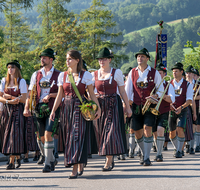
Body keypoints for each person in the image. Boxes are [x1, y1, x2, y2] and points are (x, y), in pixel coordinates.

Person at [50, 50, 101, 179]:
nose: (67, 61)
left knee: (76, 136)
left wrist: (98, 109)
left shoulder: (86, 75)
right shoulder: (62, 75)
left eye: (70, 59)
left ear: (77, 60)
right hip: (66, 108)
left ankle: (74, 167)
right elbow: (60, 95)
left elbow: (91, 94)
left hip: (80, 108)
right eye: (67, 59)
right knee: (69, 136)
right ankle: (79, 161)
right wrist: (53, 110)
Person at [92, 47, 132, 171]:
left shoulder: (117, 72)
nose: (101, 61)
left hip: (114, 105)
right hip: (100, 106)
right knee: (101, 132)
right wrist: (94, 96)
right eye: (99, 59)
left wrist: (128, 107)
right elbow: (90, 92)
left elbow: (122, 91)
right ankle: (108, 157)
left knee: (111, 132)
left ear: (109, 60)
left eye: (104, 59)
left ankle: (108, 161)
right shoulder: (93, 74)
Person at [23, 48, 60, 172]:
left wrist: (50, 96)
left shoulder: (59, 74)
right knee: (42, 137)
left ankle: (48, 163)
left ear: (51, 59)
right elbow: (30, 92)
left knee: (48, 134)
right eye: (41, 58)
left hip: (53, 108)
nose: (42, 60)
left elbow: (63, 93)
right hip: (38, 108)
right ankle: (52, 157)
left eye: (44, 58)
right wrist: (27, 107)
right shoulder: (36, 74)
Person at [125, 48, 164, 166]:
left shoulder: (154, 72)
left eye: (142, 57)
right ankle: (143, 152)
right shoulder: (132, 72)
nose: (139, 58)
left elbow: (161, 89)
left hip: (150, 105)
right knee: (137, 132)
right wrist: (127, 105)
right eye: (138, 57)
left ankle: (147, 157)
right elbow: (128, 90)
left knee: (147, 129)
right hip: (136, 105)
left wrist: (155, 95)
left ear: (147, 59)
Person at [0, 60, 27, 169]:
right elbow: (0, 97)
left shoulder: (21, 81)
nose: (10, 69)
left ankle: (11, 161)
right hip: (6, 110)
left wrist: (10, 97)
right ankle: (17, 156)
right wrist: (9, 101)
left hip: (18, 111)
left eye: (12, 67)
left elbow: (24, 99)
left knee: (14, 135)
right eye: (8, 67)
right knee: (7, 134)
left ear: (17, 69)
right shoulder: (3, 81)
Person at [169, 62, 193, 158]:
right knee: (171, 133)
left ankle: (179, 150)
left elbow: (189, 100)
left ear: (181, 72)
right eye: (173, 71)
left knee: (180, 128)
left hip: (182, 110)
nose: (174, 73)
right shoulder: (169, 83)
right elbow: (166, 97)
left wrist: (181, 107)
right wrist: (169, 104)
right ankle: (177, 148)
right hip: (171, 110)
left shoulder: (187, 85)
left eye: (176, 71)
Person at [153, 63, 175, 161]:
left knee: (160, 131)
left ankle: (159, 154)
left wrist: (162, 95)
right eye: (157, 72)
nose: (158, 74)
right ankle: (157, 148)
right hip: (152, 111)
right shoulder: (152, 85)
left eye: (160, 73)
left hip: (164, 111)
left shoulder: (169, 85)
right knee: (154, 133)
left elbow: (172, 99)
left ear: (164, 75)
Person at [185, 65, 197, 154]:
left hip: (194, 106)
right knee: (185, 127)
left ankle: (192, 146)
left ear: (193, 74)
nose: (188, 75)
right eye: (187, 73)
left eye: (190, 73)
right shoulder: (183, 83)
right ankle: (187, 145)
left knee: (193, 127)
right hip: (186, 106)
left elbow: (193, 99)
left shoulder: (197, 83)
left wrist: (195, 113)